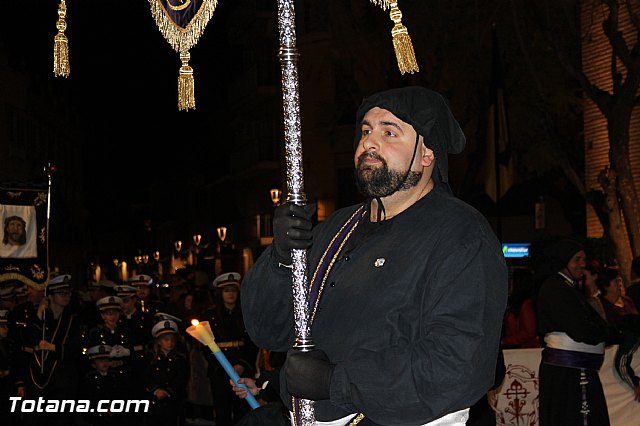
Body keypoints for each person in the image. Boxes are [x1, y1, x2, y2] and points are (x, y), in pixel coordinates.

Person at [241, 86, 508, 425]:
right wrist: (280, 259)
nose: (368, 142)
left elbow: (458, 365)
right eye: (366, 130)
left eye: (389, 132)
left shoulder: (461, 234)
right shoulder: (336, 228)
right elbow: (268, 331)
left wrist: (335, 382)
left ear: (427, 153)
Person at [535, 238, 611, 426]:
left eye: (583, 259)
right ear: (563, 261)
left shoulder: (567, 287)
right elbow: (580, 329)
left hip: (574, 368)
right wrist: (607, 334)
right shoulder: (555, 288)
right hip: (568, 371)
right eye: (577, 259)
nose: (582, 265)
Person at [204, 272, 259, 426]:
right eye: (227, 290)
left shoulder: (245, 314)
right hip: (219, 371)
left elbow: (252, 343)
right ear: (220, 293)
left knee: (243, 411)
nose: (230, 294)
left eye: (233, 290)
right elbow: (205, 345)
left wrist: (241, 365)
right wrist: (222, 368)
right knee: (222, 412)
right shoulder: (211, 316)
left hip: (243, 368)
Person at [145, 319, 190, 426]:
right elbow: (145, 375)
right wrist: (155, 390)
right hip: (154, 400)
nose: (170, 343)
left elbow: (182, 377)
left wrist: (168, 391)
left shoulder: (180, 359)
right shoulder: (150, 357)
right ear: (159, 341)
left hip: (174, 400)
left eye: (172, 340)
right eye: (166, 340)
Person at [501, 268, 540, 349]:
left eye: (511, 279)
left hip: (524, 350)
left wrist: (506, 341)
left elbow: (529, 332)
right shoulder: (516, 303)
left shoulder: (526, 304)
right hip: (517, 348)